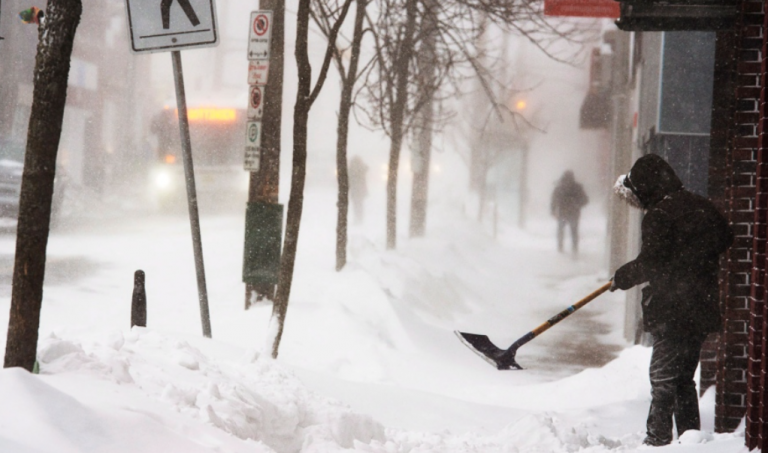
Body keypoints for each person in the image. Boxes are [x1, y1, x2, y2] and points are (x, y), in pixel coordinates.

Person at [611, 154, 733, 446]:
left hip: (673, 308)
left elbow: (651, 263)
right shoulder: (701, 206)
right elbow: (724, 237)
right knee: (682, 380)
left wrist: (622, 277)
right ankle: (689, 440)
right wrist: (691, 257)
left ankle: (657, 441)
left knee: (662, 379)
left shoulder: (660, 215)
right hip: (700, 307)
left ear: (647, 186)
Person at [550, 170, 589, 254]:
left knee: (561, 231)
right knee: (574, 232)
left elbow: (554, 200)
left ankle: (560, 248)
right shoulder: (577, 188)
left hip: (562, 213)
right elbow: (585, 200)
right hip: (574, 213)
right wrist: (577, 204)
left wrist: (553, 210)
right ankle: (574, 249)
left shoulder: (559, 187)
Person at [348, 156, 369, 224]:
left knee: (356, 205)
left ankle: (357, 219)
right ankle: (359, 218)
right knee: (359, 205)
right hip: (360, 191)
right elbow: (366, 168)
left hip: (355, 190)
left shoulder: (351, 170)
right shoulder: (361, 169)